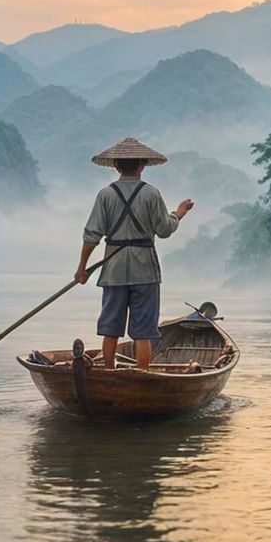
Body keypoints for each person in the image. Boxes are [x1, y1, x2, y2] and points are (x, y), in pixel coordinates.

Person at [76, 138, 194, 370]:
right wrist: (178, 214)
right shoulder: (151, 193)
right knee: (143, 331)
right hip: (145, 272)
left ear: (117, 166)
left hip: (114, 270)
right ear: (142, 164)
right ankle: (143, 376)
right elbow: (164, 230)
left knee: (110, 329)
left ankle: (108, 373)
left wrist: (82, 269)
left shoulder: (105, 195)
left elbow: (92, 236)